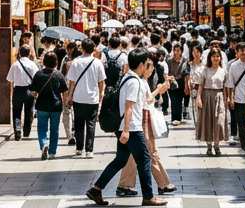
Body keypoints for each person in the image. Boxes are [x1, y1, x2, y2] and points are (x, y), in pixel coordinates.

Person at [86, 49, 165, 207]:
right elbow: (129, 106)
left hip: (124, 126)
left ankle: (96, 189)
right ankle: (148, 197)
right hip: (131, 128)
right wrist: (127, 130)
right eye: (146, 63)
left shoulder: (127, 77)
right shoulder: (134, 81)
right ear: (141, 64)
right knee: (144, 160)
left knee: (121, 160)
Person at [118, 50, 176, 198]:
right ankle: (161, 185)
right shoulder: (137, 82)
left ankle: (125, 185)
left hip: (140, 122)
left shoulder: (138, 81)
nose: (151, 70)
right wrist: (159, 90)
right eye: (149, 66)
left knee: (136, 155)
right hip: (141, 123)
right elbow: (145, 101)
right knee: (149, 153)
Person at [66, 39, 107, 158]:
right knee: (91, 124)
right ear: (93, 48)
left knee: (78, 123)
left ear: (81, 48)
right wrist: (100, 95)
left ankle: (79, 148)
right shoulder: (97, 63)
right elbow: (101, 82)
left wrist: (69, 96)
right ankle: (89, 150)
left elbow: (71, 81)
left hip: (78, 97)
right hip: (92, 98)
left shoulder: (75, 62)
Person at [28, 53, 69, 160]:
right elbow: (64, 91)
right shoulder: (58, 75)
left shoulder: (39, 74)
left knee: (42, 129)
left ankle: (43, 144)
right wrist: (65, 102)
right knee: (54, 130)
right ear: (56, 62)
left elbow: (32, 91)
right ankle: (52, 152)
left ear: (44, 61)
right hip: (56, 106)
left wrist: (35, 95)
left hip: (42, 106)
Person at [193, 46, 229, 155]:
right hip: (206, 96)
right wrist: (198, 98)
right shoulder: (205, 70)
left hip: (219, 97)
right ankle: (209, 146)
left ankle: (217, 145)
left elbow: (225, 87)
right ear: (210, 58)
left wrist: (226, 99)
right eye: (213, 56)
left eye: (217, 56)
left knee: (219, 122)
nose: (216, 58)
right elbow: (200, 85)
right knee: (207, 121)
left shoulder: (223, 71)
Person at [6, 46, 40, 141]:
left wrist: (11, 92)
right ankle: (26, 131)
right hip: (29, 90)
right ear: (29, 53)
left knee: (16, 111)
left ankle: (17, 130)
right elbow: (36, 79)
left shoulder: (15, 65)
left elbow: (10, 80)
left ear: (19, 53)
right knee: (28, 111)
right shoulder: (33, 65)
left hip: (18, 90)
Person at [165, 43, 187, 125]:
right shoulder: (169, 61)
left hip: (181, 82)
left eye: (178, 50)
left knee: (180, 100)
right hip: (171, 82)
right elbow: (167, 71)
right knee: (173, 100)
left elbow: (184, 72)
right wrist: (171, 78)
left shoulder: (184, 61)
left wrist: (177, 78)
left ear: (181, 51)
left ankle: (179, 118)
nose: (176, 52)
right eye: (175, 50)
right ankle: (173, 118)